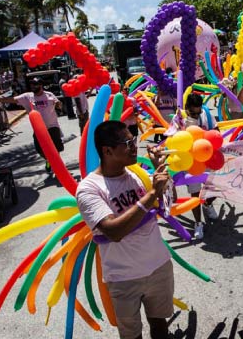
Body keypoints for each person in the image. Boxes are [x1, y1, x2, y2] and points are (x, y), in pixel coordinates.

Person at [76, 120, 173, 339]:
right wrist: (150, 195)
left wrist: (159, 173)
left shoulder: (137, 174)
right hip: (123, 278)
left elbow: (166, 206)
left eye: (134, 140)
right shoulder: (89, 189)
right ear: (107, 151)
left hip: (158, 267)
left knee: (159, 324)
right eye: (128, 142)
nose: (134, 146)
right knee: (131, 335)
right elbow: (113, 231)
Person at [0, 77, 62, 172]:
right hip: (39, 129)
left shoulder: (49, 94)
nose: (33, 86)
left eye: (35, 84)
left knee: (56, 148)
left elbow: (57, 102)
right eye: (32, 84)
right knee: (40, 150)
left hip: (52, 126)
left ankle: (58, 167)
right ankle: (48, 160)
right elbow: (12, 99)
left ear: (41, 85)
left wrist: (58, 104)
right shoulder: (27, 97)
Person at [182, 94, 219, 239]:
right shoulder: (181, 119)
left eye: (199, 112)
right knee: (195, 194)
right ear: (187, 108)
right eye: (193, 113)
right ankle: (198, 223)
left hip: (208, 159)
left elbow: (216, 132)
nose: (197, 115)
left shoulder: (206, 114)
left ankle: (208, 205)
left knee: (214, 188)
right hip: (191, 162)